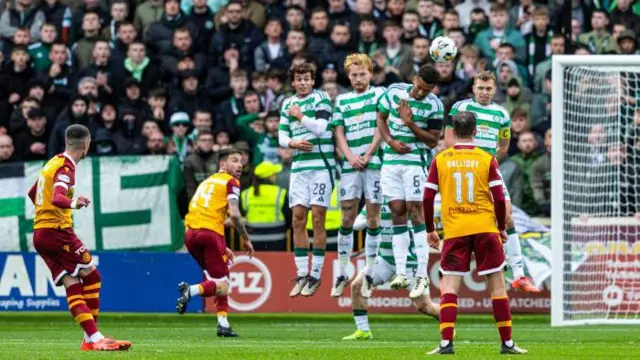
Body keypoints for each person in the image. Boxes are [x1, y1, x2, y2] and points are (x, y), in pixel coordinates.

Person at [424, 111, 527, 355]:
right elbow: (500, 198)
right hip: (485, 227)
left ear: (451, 133)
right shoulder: (486, 158)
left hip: (456, 229)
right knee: (498, 288)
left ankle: (446, 343)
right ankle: (508, 344)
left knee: (449, 287)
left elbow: (427, 196)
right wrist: (501, 226)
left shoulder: (441, 159)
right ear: (476, 131)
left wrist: (430, 229)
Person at [27, 124, 131, 351]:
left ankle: (91, 338)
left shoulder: (52, 162)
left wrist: (46, 213)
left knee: (73, 283)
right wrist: (74, 203)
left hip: (41, 233)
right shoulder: (66, 168)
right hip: (57, 232)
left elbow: (33, 193)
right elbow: (57, 197)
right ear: (86, 145)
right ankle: (93, 338)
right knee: (92, 276)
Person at [445, 71, 539, 293]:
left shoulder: (501, 114)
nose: (484, 92)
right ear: (473, 88)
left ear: (495, 90)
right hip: (465, 170)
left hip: (488, 170)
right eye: (480, 88)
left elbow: (504, 145)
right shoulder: (460, 108)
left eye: (488, 89)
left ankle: (518, 274)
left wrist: (491, 162)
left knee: (507, 216)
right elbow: (449, 139)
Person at [376, 64, 443, 299]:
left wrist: (410, 123)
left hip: (415, 162)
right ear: (414, 79)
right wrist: (390, 141)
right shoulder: (394, 90)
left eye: (427, 90)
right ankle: (402, 272)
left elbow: (433, 141)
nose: (421, 93)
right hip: (391, 162)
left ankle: (422, 275)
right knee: (397, 211)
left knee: (416, 212)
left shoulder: (435, 105)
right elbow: (380, 118)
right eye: (420, 87)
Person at [176, 147, 254, 336]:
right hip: (209, 234)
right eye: (234, 160)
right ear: (222, 164)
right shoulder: (231, 182)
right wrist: (245, 238)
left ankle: (223, 324)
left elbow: (205, 213)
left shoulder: (207, 182)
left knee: (216, 279)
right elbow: (234, 215)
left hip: (191, 235)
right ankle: (191, 290)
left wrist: (222, 245)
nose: (239, 165)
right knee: (224, 284)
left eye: (241, 162)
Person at [330, 53, 384, 298]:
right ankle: (342, 272)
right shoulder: (342, 101)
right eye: (354, 75)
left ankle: (370, 273)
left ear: (370, 74)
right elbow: (338, 132)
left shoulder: (379, 95)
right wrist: (350, 156)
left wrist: (369, 153)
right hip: (351, 165)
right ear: (348, 76)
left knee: (373, 219)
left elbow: (382, 126)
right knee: (347, 217)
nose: (359, 79)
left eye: (362, 74)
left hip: (374, 164)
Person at [341, 205, 439, 340]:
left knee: (425, 307)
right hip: (385, 260)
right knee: (357, 285)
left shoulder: (407, 200)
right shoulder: (376, 200)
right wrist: (372, 219)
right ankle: (363, 331)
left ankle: (448, 322)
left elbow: (429, 223)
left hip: (410, 263)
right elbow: (356, 224)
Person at [278, 62, 334, 298]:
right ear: (293, 82)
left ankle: (316, 274)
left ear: (313, 80)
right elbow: (281, 135)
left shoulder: (321, 98)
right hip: (299, 168)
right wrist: (292, 143)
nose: (302, 82)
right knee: (298, 219)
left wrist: (300, 116)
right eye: (298, 79)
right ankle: (302, 274)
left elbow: (321, 128)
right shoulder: (287, 103)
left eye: (306, 79)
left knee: (318, 219)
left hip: (321, 166)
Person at [241, 161, 289, 251]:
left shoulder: (245, 194)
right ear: (269, 176)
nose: (276, 176)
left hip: (253, 241)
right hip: (277, 240)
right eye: (274, 174)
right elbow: (288, 218)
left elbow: (240, 217)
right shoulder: (280, 193)